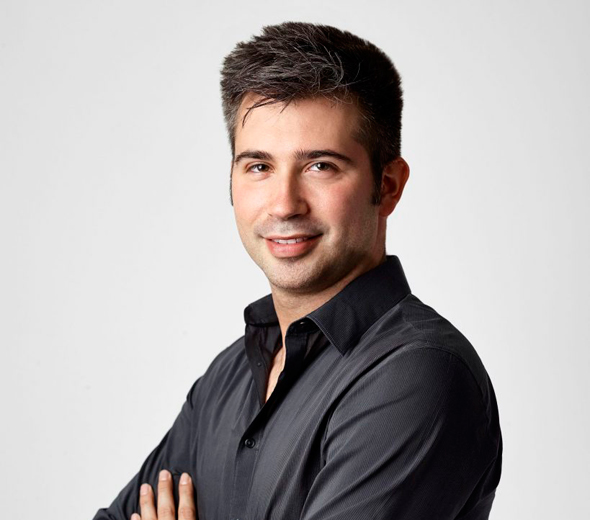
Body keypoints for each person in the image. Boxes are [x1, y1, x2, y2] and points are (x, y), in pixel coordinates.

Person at [94, 22, 502, 520]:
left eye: (320, 166)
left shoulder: (419, 375)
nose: (284, 203)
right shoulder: (228, 376)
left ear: (388, 186)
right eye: (259, 166)